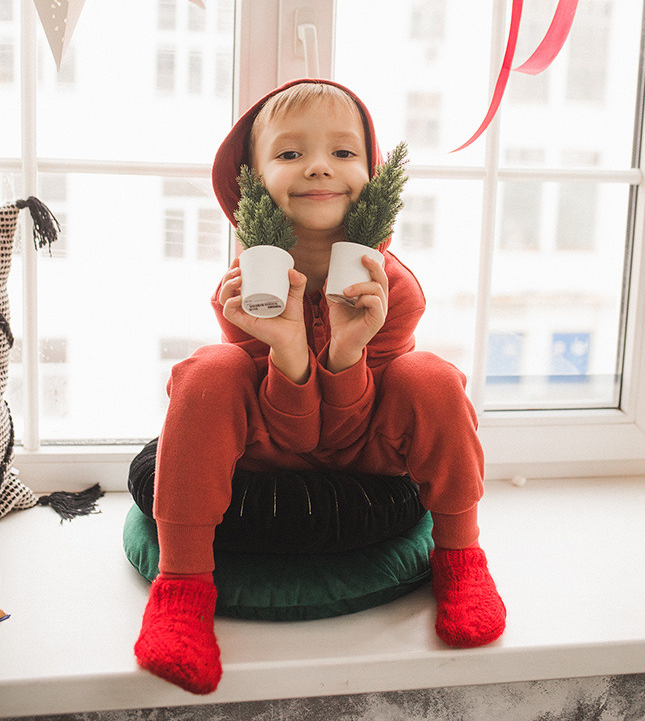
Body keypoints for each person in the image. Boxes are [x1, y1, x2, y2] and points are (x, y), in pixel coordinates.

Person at [134, 79, 506, 695]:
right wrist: (284, 349)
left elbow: (340, 434)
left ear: (373, 172)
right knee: (208, 371)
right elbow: (298, 434)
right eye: (288, 154)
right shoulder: (243, 288)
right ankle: (182, 587)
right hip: (267, 446)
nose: (317, 168)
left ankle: (461, 558)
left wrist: (347, 348)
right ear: (251, 181)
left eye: (342, 152)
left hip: (368, 447)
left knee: (430, 376)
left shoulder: (393, 287)